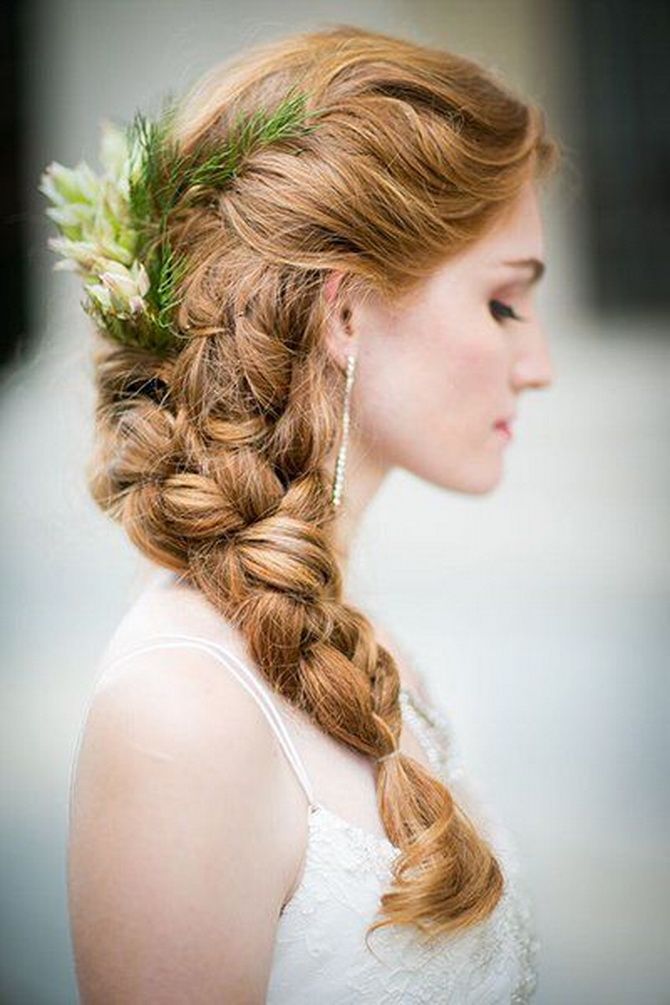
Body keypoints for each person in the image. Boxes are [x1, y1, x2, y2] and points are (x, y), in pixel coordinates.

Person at [45, 23, 561, 1003]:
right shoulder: (182, 717)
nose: (535, 367)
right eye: (502, 304)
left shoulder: (369, 648)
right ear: (346, 311)